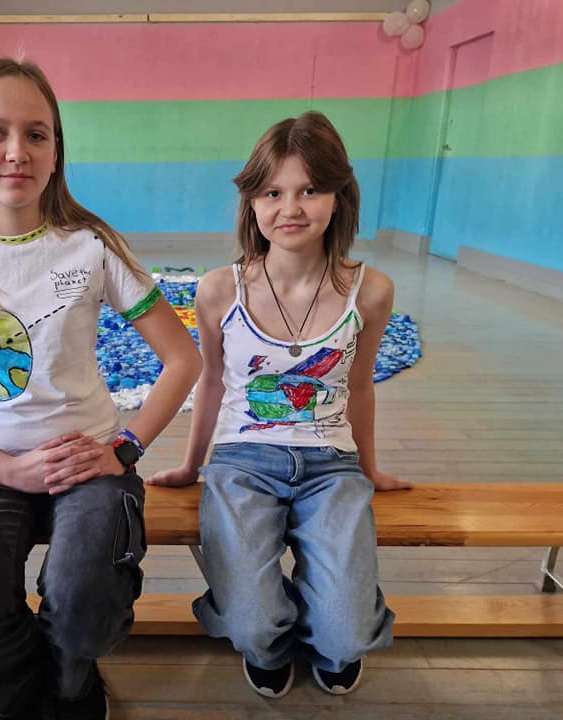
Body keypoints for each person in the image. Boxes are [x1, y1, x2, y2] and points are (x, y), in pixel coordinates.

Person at [0, 57, 200, 720]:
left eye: (37, 134)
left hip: (89, 465)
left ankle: (71, 686)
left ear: (57, 151)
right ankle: (21, 689)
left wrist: (124, 448)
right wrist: (7, 469)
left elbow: (182, 359)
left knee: (88, 604)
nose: (17, 151)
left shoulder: (92, 247)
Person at [148, 111, 409, 698]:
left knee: (345, 636)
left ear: (338, 197)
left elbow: (360, 385)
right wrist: (191, 466)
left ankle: (327, 623)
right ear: (252, 201)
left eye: (309, 190)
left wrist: (368, 469)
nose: (290, 208)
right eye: (272, 192)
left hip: (331, 466)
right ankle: (271, 634)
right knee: (251, 624)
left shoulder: (370, 290)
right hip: (242, 463)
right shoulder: (220, 289)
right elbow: (211, 381)